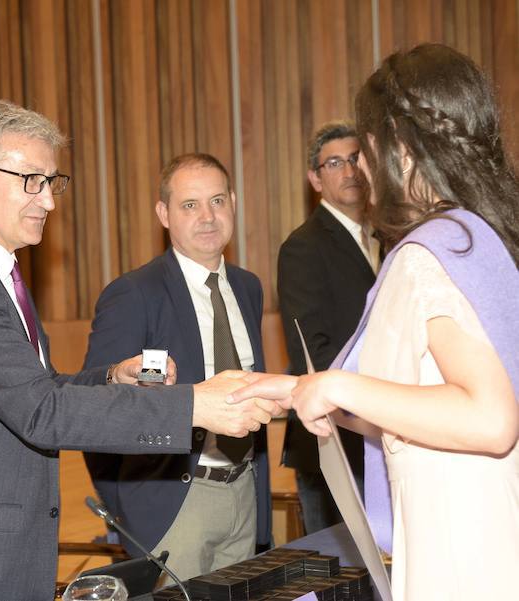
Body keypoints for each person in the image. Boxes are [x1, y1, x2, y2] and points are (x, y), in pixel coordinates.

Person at [0, 99, 282, 601]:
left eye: (52, 182)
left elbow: (37, 389)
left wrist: (110, 379)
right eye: (31, 180)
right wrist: (195, 404)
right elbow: (41, 412)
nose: (48, 201)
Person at [229, 44, 519, 600]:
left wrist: (334, 383)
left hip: (459, 531)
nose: (360, 165)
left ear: (401, 149)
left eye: (365, 148)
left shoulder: (431, 251)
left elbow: (489, 417)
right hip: (470, 513)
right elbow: (412, 400)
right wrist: (297, 389)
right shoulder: (478, 236)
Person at [83, 153, 271, 581]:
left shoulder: (248, 288)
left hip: (243, 493)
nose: (207, 216)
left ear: (234, 204)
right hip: (172, 505)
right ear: (163, 214)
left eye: (218, 201)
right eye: (190, 205)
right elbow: (94, 408)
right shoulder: (134, 293)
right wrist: (128, 509)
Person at [277, 121, 379, 533]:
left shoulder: (388, 237)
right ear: (315, 178)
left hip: (384, 433)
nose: (350, 170)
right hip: (334, 438)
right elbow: (312, 352)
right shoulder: (304, 246)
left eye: (356, 159)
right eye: (335, 162)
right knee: (341, 582)